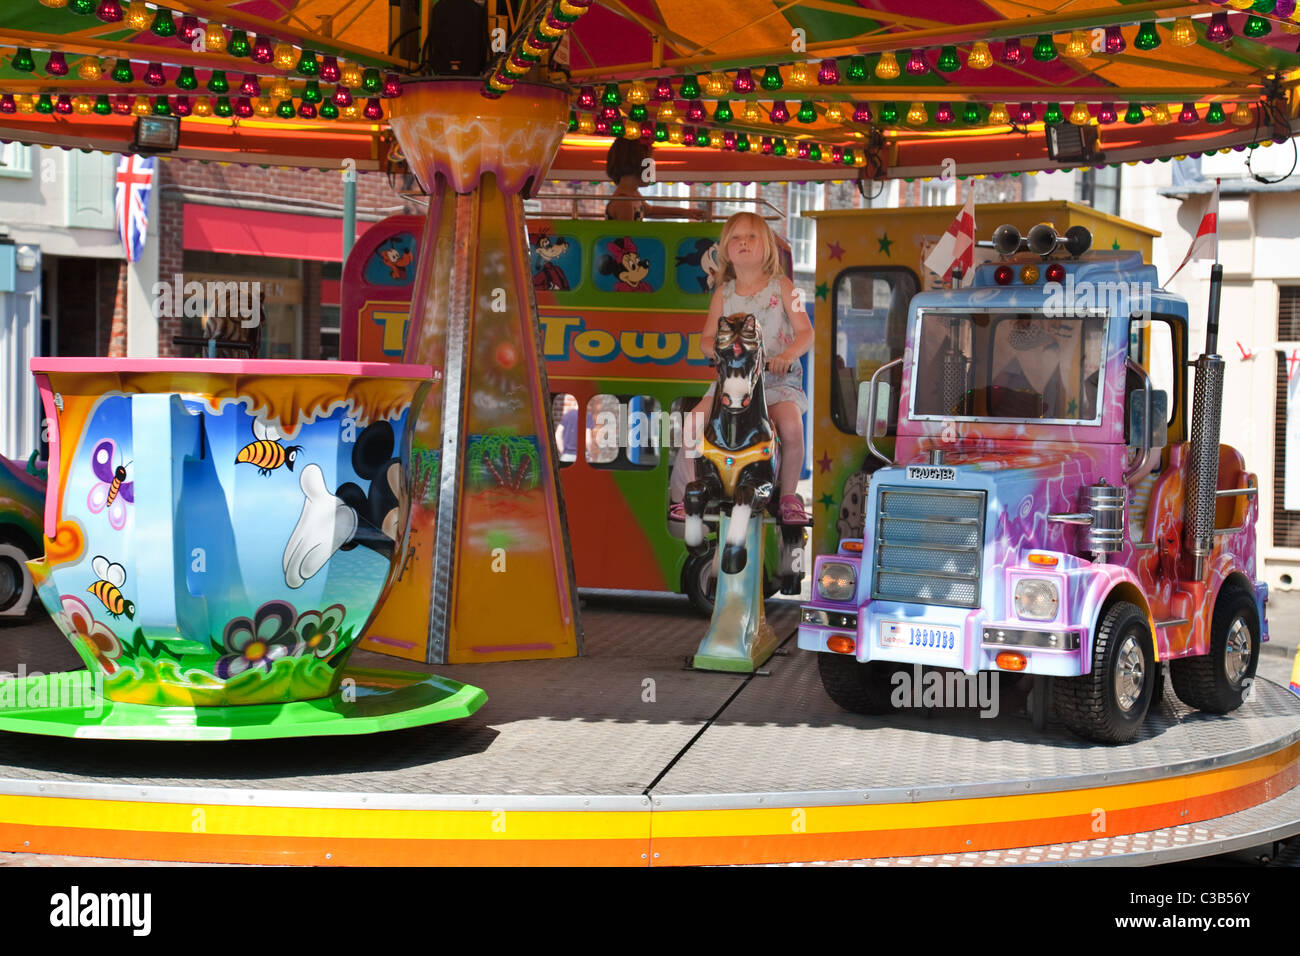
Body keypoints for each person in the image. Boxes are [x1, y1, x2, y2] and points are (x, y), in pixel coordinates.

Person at [668, 211, 813, 524]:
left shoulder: (785, 287)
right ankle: (690, 490)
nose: (743, 242)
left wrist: (787, 355)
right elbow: (706, 339)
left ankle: (788, 496)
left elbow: (807, 332)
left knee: (790, 426)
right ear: (725, 249)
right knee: (694, 422)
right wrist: (719, 353)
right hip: (733, 382)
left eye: (751, 236)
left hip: (775, 383)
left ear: (767, 247)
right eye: (735, 237)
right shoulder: (724, 294)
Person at [605, 139, 705, 222]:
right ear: (640, 166)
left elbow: (650, 211)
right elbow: (628, 239)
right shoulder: (624, 203)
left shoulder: (632, 194)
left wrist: (684, 212)